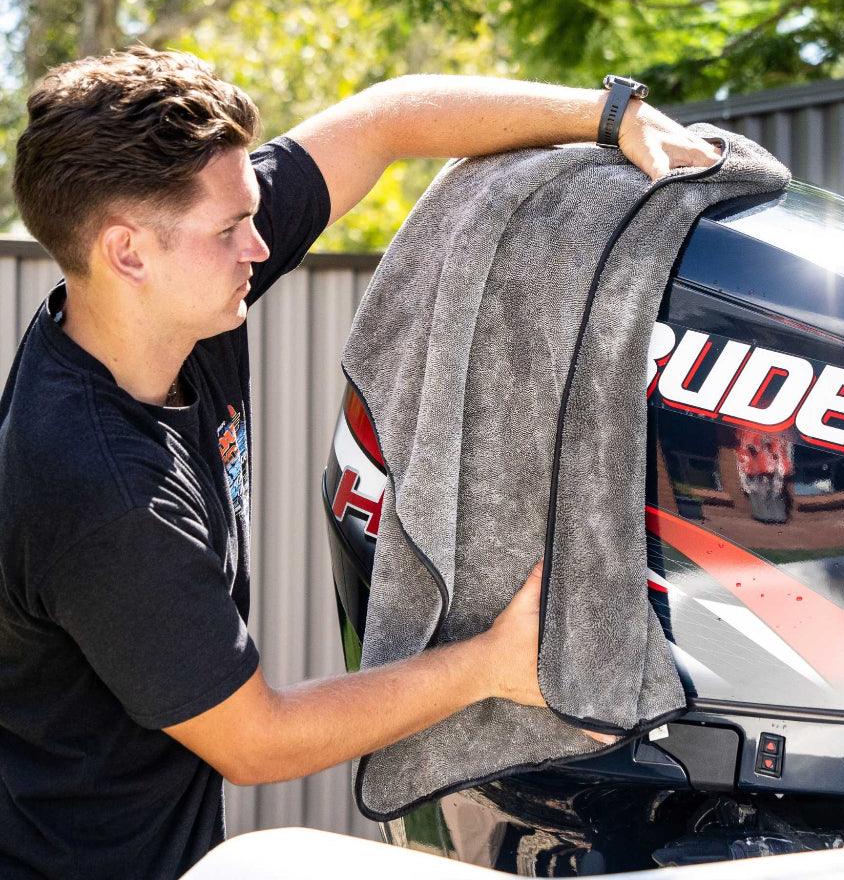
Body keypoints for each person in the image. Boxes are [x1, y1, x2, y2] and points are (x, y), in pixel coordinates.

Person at [0, 44, 719, 880]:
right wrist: (490, 665)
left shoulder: (152, 313)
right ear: (127, 253)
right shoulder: (103, 493)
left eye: (253, 213)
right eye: (231, 229)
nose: (259, 247)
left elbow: (384, 121)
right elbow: (256, 740)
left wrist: (610, 115)